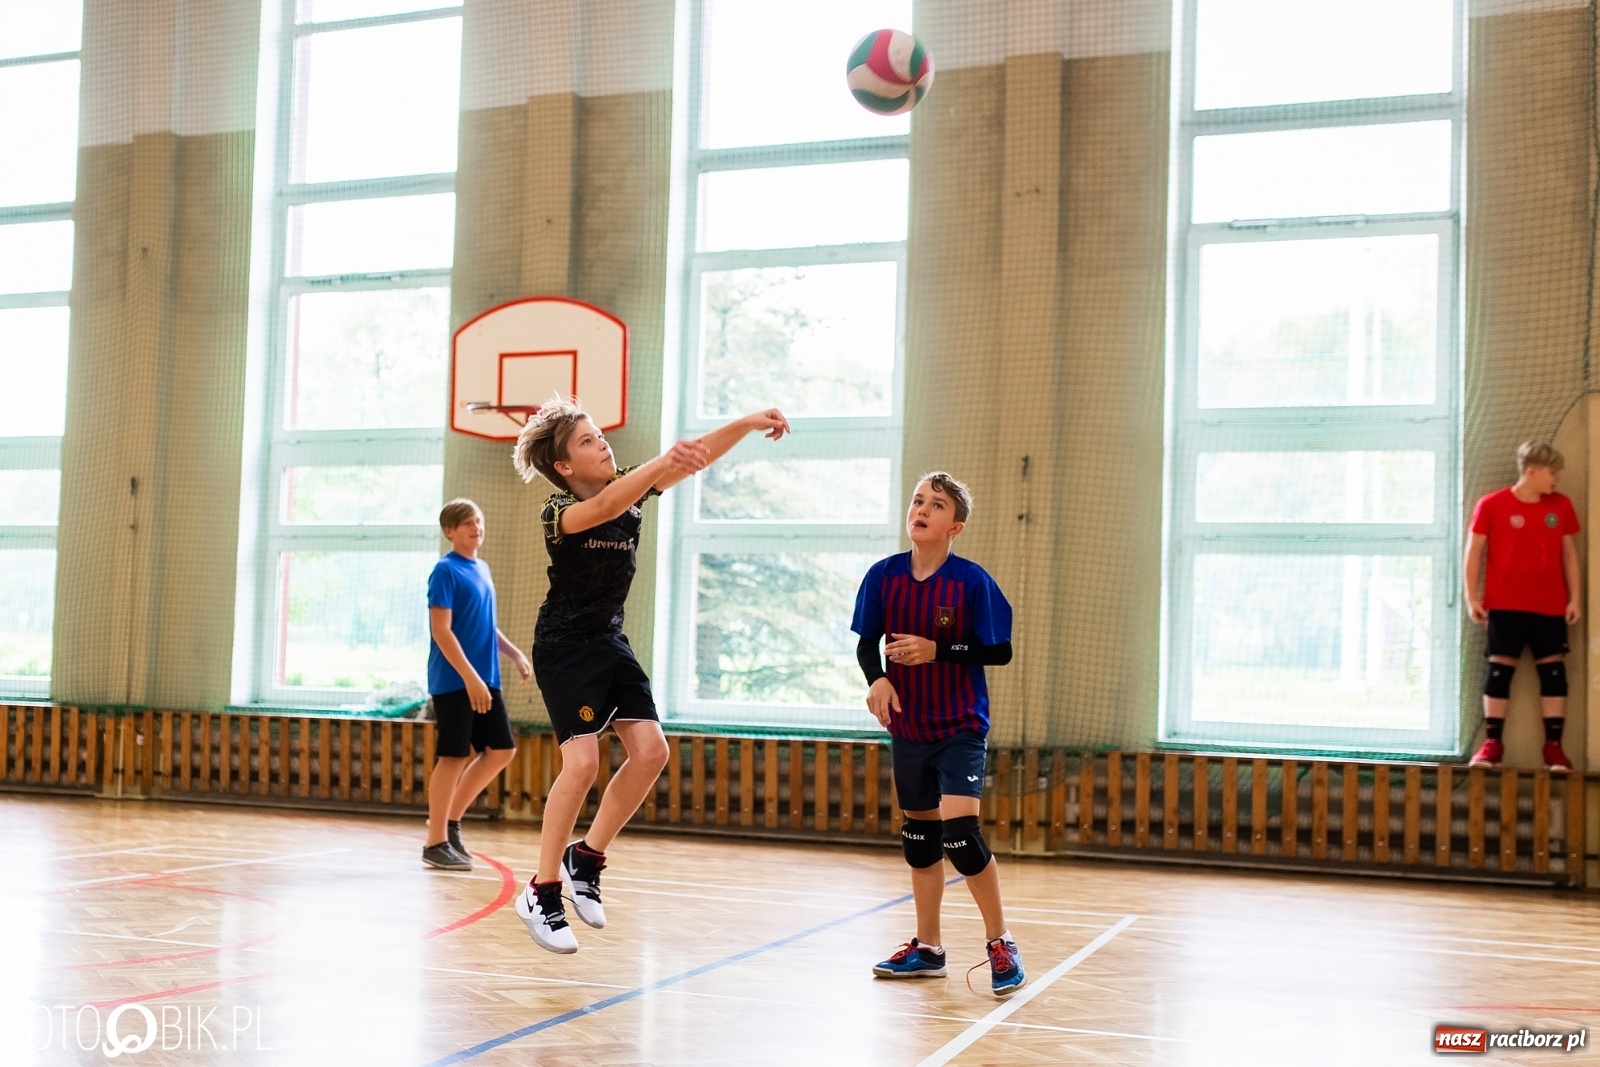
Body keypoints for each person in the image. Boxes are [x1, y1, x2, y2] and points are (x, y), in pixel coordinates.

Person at [510, 395, 790, 953]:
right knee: (583, 761)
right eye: (587, 441)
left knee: (651, 751)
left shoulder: (634, 485)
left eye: (600, 434)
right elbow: (611, 503)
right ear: (564, 467)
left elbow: (697, 454)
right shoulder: (559, 511)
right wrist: (665, 462)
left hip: (609, 640)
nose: (603, 443)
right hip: (564, 647)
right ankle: (540, 890)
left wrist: (748, 420)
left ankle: (585, 857)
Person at [851, 472, 1024, 998]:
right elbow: (867, 644)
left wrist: (937, 650)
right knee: (920, 840)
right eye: (918, 500)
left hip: (960, 727)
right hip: (909, 727)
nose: (921, 509)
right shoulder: (883, 577)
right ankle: (929, 948)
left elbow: (999, 651)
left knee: (960, 836)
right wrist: (876, 679)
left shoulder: (971, 583)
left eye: (937, 504)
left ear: (956, 526)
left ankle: (1001, 942)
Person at [424, 498, 532, 870]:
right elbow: (442, 631)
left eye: (479, 521)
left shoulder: (482, 568)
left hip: (485, 678)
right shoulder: (444, 571)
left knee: (501, 749)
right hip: (455, 680)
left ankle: (450, 822)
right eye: (467, 523)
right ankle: (434, 840)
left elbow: (484, 624)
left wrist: (514, 653)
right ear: (449, 531)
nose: (476, 527)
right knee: (453, 756)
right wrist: (469, 677)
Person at [1464, 440, 1580, 771]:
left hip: (1550, 606)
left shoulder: (1561, 505)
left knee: (1553, 672)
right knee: (1499, 670)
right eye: (1552, 473)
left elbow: (1568, 553)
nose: (1556, 479)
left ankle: (1554, 748)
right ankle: (1492, 745)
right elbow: (1473, 553)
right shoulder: (1491, 504)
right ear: (1532, 472)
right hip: (1504, 605)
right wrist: (1472, 597)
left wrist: (1574, 598)